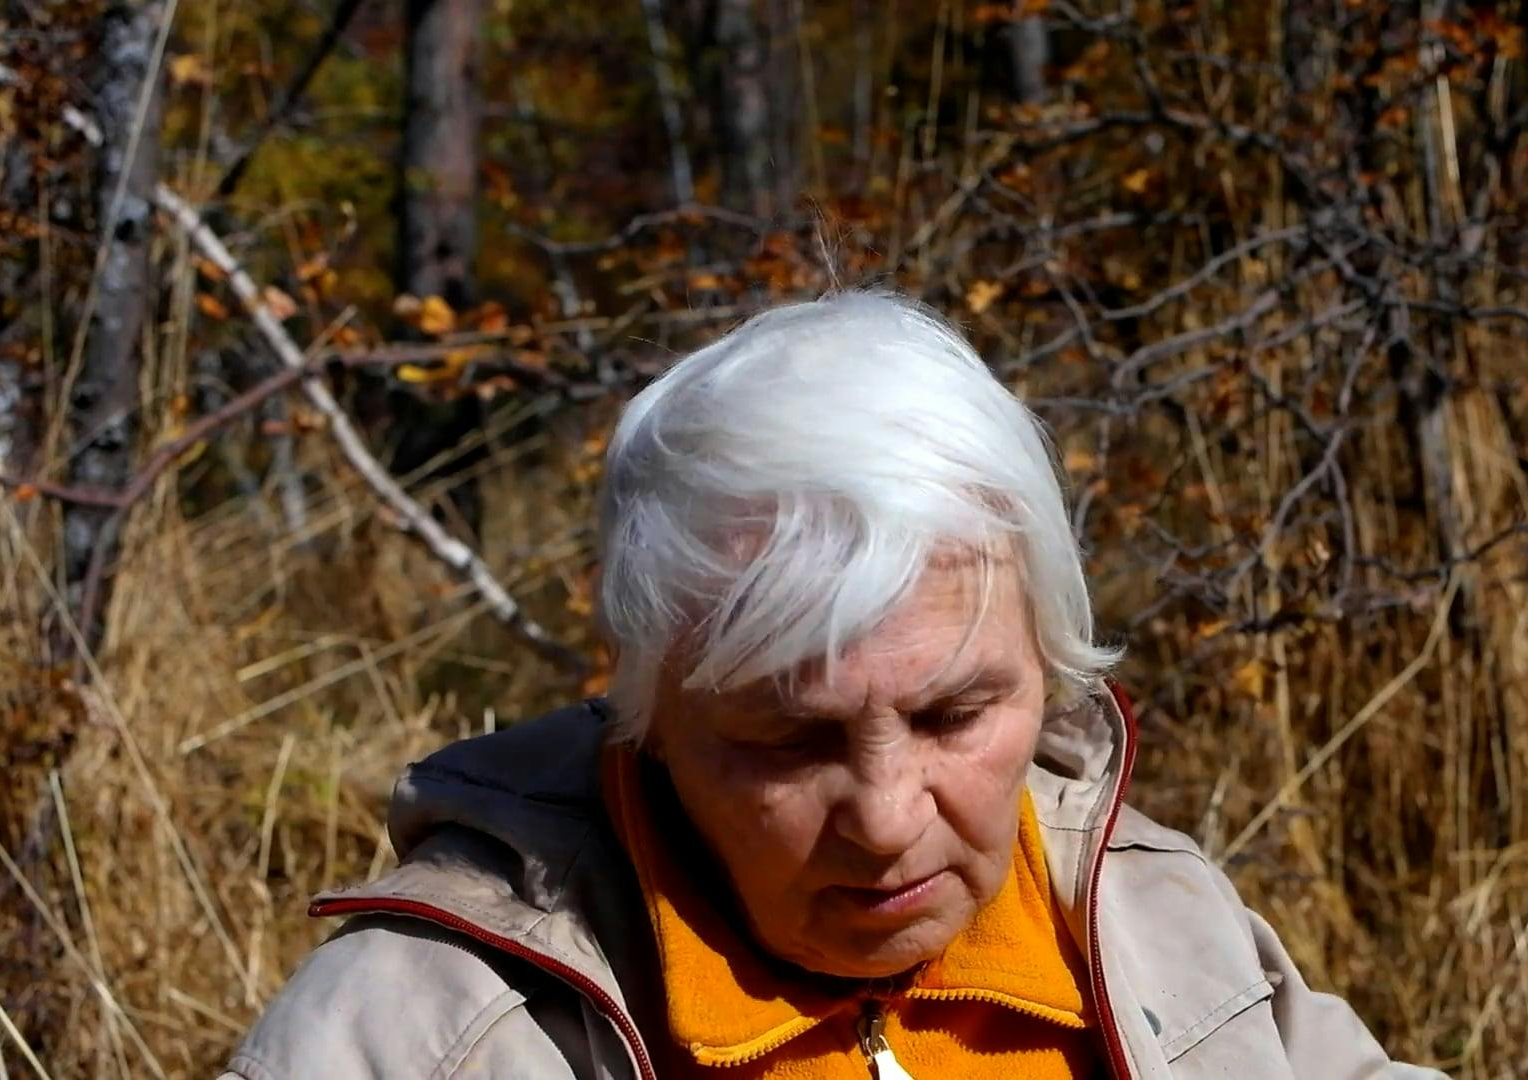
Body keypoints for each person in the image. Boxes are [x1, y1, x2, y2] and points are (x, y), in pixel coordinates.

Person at [223, 292, 1447, 1079]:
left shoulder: (1149, 915)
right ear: (649, 722)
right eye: (790, 741)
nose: (888, 817)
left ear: (1050, 669)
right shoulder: (420, 1029)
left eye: (956, 715)